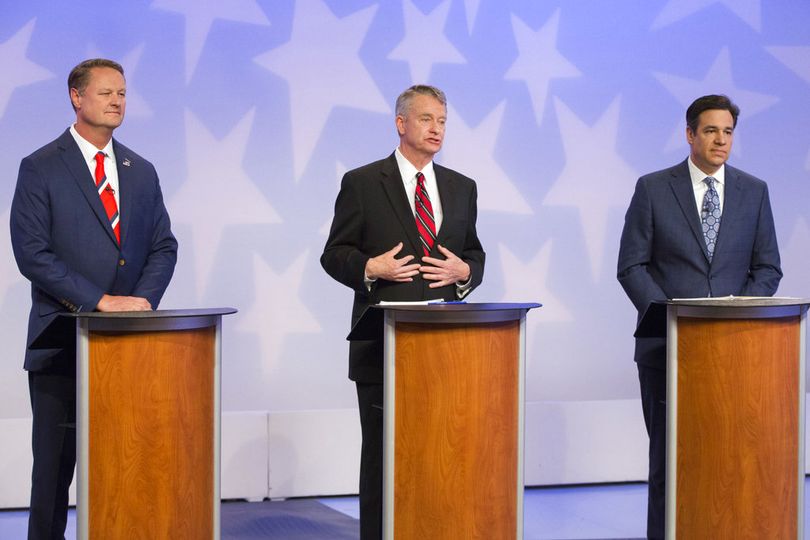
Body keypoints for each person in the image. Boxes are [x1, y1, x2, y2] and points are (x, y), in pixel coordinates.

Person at [10, 58, 178, 539]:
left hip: (128, 345)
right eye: (106, 93)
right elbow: (32, 253)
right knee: (54, 471)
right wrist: (98, 301)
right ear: (76, 97)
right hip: (61, 340)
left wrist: (140, 302)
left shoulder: (140, 170)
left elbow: (164, 245)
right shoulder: (41, 166)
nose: (117, 101)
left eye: (122, 93)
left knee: (126, 462)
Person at [321, 84, 485, 539]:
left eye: (443, 121)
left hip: (444, 347)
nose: (437, 129)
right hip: (382, 347)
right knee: (383, 458)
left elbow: (474, 255)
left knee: (440, 454)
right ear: (401, 124)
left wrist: (464, 270)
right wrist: (369, 268)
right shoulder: (362, 182)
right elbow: (334, 254)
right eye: (428, 119)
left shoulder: (461, 187)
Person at [617, 94, 782, 539]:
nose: (721, 140)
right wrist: (672, 319)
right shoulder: (653, 188)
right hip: (665, 351)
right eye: (711, 130)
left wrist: (735, 317)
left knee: (728, 460)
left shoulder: (754, 190)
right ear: (690, 134)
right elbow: (631, 266)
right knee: (669, 463)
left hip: (733, 352)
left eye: (728, 132)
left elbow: (768, 268)